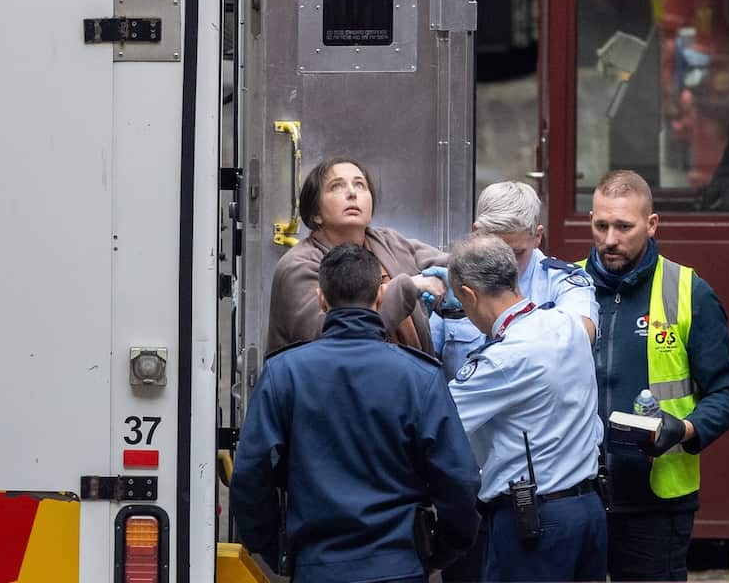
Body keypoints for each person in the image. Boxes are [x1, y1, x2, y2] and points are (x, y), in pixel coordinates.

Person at [231, 244, 482, 583]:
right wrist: (441, 550)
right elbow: (459, 478)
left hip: (317, 566)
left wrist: (278, 550)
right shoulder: (420, 377)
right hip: (399, 566)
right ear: (380, 297)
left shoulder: (284, 373)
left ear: (322, 299)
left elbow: (250, 475)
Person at [581, 170, 729, 581]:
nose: (610, 239)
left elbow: (728, 393)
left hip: (657, 505)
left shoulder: (688, 291)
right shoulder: (566, 286)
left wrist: (686, 429)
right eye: (601, 225)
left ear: (651, 225)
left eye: (624, 226)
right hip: (575, 497)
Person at [446, 233, 606, 582]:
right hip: (589, 511)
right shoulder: (569, 325)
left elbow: (436, 422)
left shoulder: (502, 360)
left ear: (469, 295)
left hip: (534, 524)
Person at [266, 156, 450, 355]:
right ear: (315, 213)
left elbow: (460, 266)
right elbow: (327, 336)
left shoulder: (390, 242)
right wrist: (410, 287)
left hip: (407, 379)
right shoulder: (298, 266)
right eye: (336, 186)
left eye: (360, 185)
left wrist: (453, 284)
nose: (352, 193)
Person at [428, 181, 598, 379]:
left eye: (516, 253)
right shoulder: (454, 279)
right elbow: (425, 358)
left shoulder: (563, 282)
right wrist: (418, 312)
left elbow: (581, 337)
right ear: (476, 234)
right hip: (463, 406)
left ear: (537, 236)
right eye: (495, 251)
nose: (506, 263)